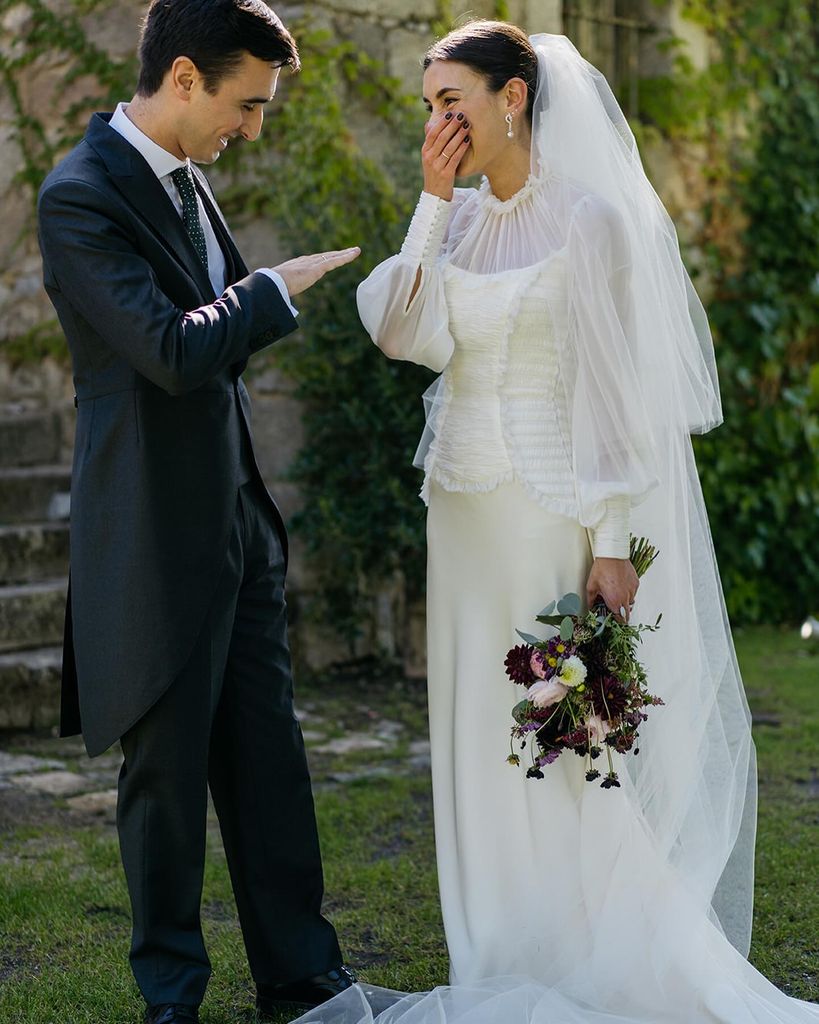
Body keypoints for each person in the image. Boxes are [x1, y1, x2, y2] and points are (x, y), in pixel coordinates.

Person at [293, 20, 819, 1024]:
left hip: (551, 509)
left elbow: (617, 392)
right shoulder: (456, 219)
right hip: (464, 510)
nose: (439, 121)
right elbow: (405, 334)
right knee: (473, 731)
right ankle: (499, 943)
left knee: (562, 737)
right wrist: (431, 203)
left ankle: (592, 939)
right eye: (428, 106)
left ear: (514, 99)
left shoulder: (591, 220)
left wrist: (613, 541)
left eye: (454, 100)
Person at [36, 1, 359, 1021]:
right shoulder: (79, 197)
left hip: (239, 528)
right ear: (183, 78)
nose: (253, 128)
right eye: (245, 105)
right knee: (166, 788)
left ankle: (304, 981)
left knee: (270, 768)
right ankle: (172, 999)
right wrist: (269, 292)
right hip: (151, 537)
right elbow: (171, 349)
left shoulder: (192, 183)